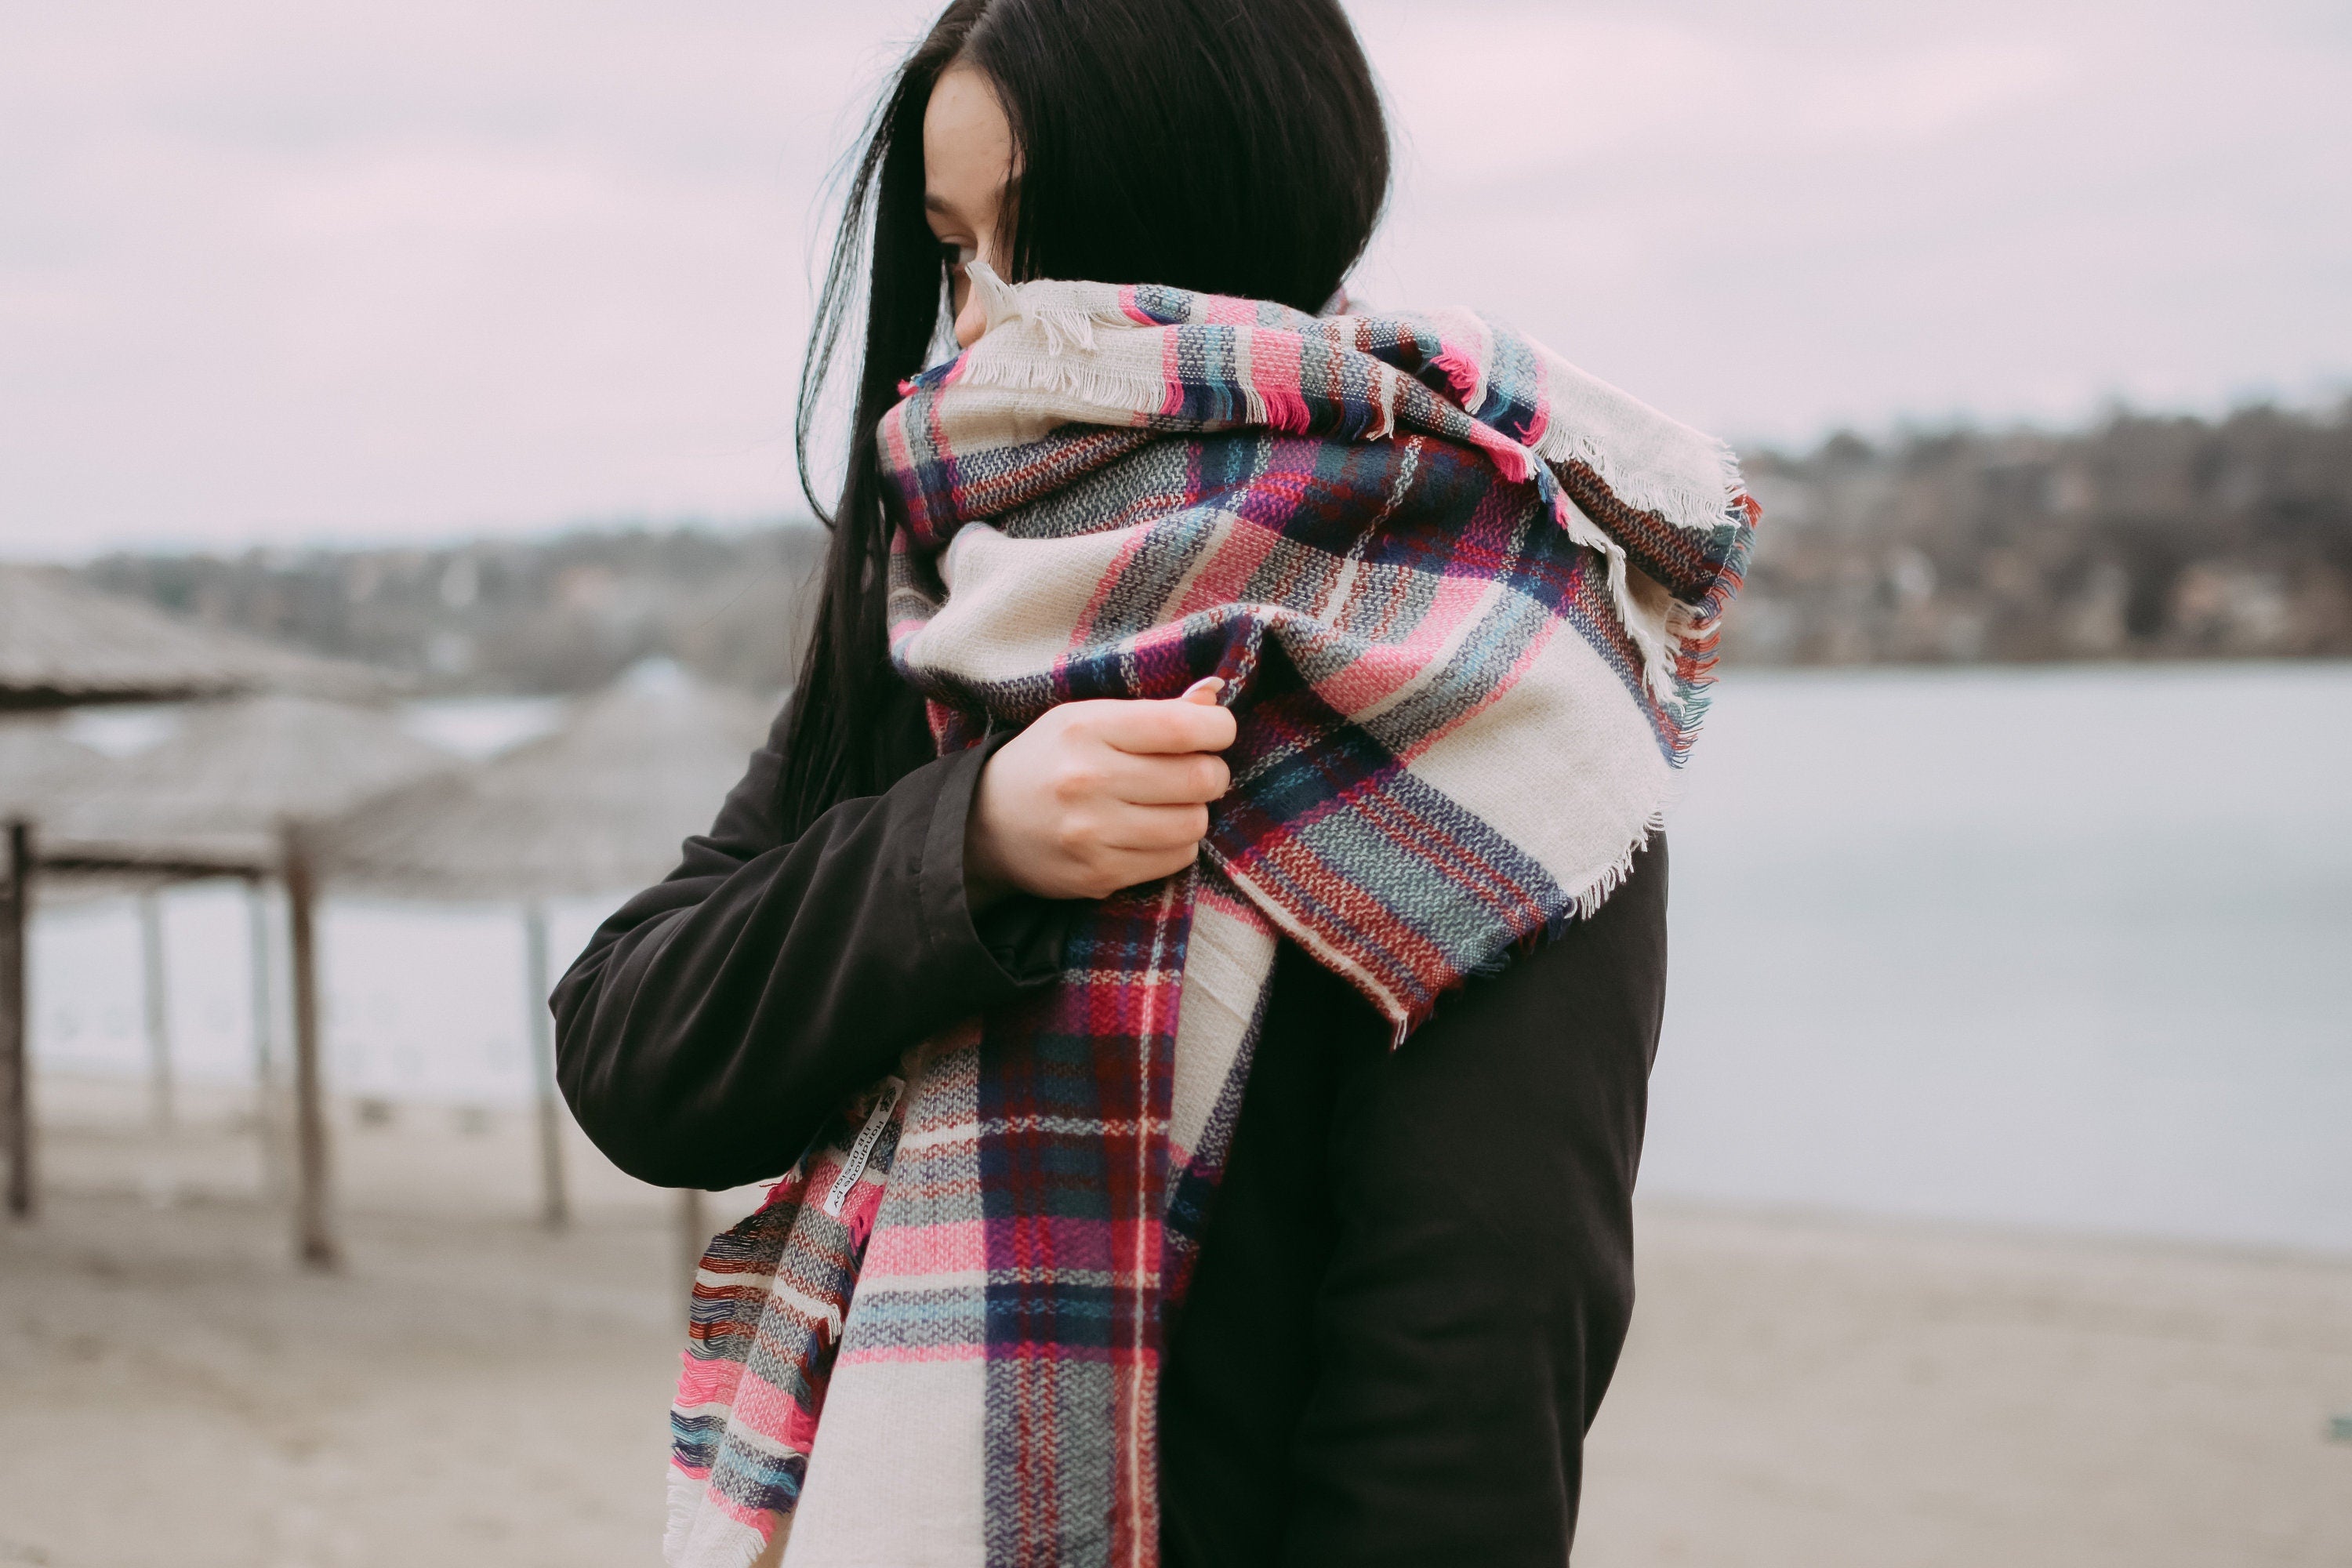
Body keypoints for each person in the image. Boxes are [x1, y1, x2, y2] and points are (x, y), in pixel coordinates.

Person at [554, 2, 1754, 1564]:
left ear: (1191, 214)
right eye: (947, 249)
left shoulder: (1494, 651)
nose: (971, 323)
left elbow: (1480, 1338)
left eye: (1018, 245)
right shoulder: (939, 605)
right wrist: (965, 843)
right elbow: (632, 1046)